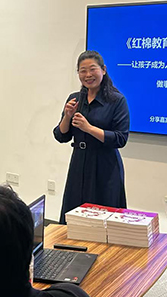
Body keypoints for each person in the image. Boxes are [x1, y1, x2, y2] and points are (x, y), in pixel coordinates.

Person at [54, 50, 130, 223]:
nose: (88, 75)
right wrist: (67, 116)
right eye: (83, 71)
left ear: (103, 70)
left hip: (105, 165)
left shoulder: (117, 101)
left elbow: (120, 138)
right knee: (75, 213)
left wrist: (89, 128)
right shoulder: (75, 98)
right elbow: (61, 136)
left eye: (92, 69)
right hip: (79, 162)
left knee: (104, 216)